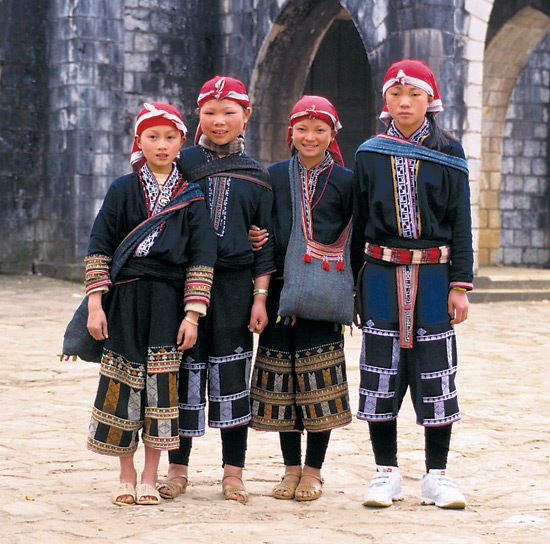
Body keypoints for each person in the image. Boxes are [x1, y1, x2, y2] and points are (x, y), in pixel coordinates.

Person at [351, 59, 473, 509]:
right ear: (386, 101)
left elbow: (461, 221)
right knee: (380, 372)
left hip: (436, 278)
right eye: (396, 95)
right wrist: (353, 289)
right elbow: (359, 222)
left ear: (430, 100)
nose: (405, 102)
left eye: (414, 95)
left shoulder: (450, 151)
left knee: (435, 372)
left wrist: (460, 284)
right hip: (380, 276)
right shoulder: (369, 153)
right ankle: (386, 473)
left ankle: (437, 476)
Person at [85, 102, 217, 506]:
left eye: (170, 137)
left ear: (182, 142)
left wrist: (192, 315)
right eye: (153, 137)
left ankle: (149, 476)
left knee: (162, 387)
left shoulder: (191, 197)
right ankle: (126, 474)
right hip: (124, 300)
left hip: (168, 303)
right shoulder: (122, 189)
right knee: (123, 383)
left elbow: (202, 256)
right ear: (138, 142)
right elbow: (99, 245)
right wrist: (95, 305)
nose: (161, 145)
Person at [158, 76, 275, 504]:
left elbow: (266, 243)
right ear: (198, 115)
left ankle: (233, 472)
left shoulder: (258, 175)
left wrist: (260, 297)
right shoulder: (181, 163)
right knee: (182, 375)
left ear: (246, 115)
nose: (219, 121)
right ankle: (177, 468)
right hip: (182, 285)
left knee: (232, 378)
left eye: (229, 112)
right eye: (210, 112)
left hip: (234, 288)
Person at [249, 96, 353, 501]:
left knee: (318, 387)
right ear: (290, 132)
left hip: (324, 297)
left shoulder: (346, 181)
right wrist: (260, 295)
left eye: (320, 129)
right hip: (279, 295)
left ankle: (313, 471)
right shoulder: (274, 176)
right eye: (302, 129)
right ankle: (290, 468)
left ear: (332, 133)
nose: (310, 137)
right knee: (284, 387)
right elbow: (262, 235)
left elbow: (355, 239)